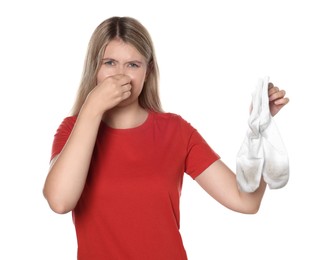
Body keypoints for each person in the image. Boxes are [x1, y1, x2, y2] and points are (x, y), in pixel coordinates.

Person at [43, 16, 289, 260]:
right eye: (109, 63)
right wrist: (92, 108)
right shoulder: (73, 130)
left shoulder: (176, 131)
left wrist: (262, 129)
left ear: (147, 71)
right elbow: (60, 201)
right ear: (94, 69)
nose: (121, 75)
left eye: (133, 65)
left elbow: (246, 202)